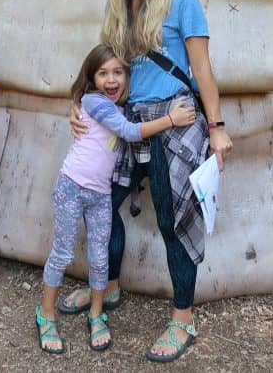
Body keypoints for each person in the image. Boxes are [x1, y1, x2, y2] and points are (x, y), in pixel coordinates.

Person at [69, 0, 233, 362]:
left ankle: (183, 320)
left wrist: (217, 129)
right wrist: (77, 103)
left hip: (174, 120)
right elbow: (104, 70)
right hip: (128, 121)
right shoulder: (117, 9)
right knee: (100, 202)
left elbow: (202, 69)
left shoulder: (182, 1)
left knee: (171, 219)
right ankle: (110, 288)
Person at [37, 44, 196, 355]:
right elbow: (128, 131)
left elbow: (122, 121)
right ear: (92, 77)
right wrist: (171, 119)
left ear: (129, 75)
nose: (111, 79)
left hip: (98, 192)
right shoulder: (96, 102)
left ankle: (97, 313)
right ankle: (46, 314)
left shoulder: (117, 106)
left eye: (118, 73)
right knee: (63, 251)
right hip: (72, 185)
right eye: (103, 73)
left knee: (99, 256)